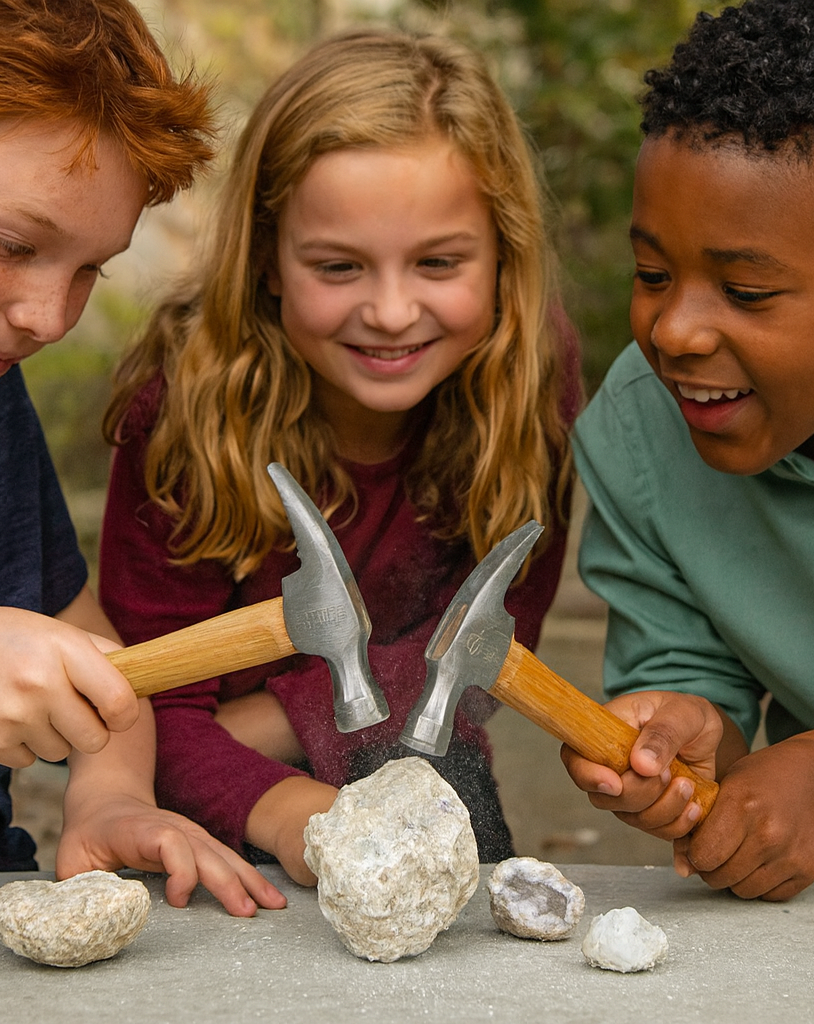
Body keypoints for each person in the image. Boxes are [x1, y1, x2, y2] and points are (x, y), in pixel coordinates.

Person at [99, 28, 581, 884]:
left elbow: (494, 647)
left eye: (438, 262)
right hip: (206, 796)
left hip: (426, 764)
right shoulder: (186, 406)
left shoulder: (529, 379)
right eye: (338, 266)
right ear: (270, 260)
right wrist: (291, 812)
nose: (392, 312)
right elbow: (144, 707)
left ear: (503, 254)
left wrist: (277, 713)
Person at [0, 0, 286, 918]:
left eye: (89, 269)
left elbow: (91, 648)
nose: (50, 319)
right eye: (12, 245)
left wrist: (111, 797)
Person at [565, 0, 814, 902]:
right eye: (652, 275)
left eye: (745, 290)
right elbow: (701, 696)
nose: (673, 332)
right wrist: (690, 734)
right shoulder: (638, 429)